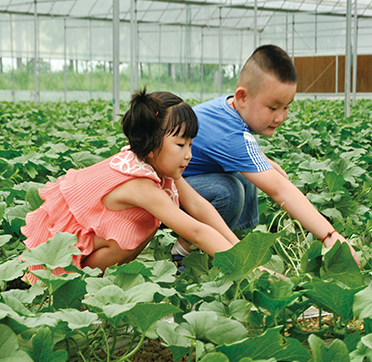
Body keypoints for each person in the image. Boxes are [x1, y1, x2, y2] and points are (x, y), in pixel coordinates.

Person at [21, 88, 240, 283]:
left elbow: (198, 205)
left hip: (79, 242)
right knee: (129, 236)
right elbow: (196, 231)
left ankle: (97, 281)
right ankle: (82, 286)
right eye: (181, 145)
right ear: (152, 145)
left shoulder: (151, 162)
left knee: (139, 228)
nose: (188, 155)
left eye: (191, 144)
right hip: (55, 261)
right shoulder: (140, 185)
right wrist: (243, 266)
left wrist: (241, 250)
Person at [176, 44, 360, 266]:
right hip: (159, 193)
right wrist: (330, 236)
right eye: (273, 108)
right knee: (228, 191)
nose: (280, 117)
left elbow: (239, 148)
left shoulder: (228, 109)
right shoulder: (230, 134)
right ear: (242, 97)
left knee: (250, 175)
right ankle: (186, 255)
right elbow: (278, 189)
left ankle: (232, 238)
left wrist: (265, 162)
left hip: (183, 181)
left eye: (286, 107)